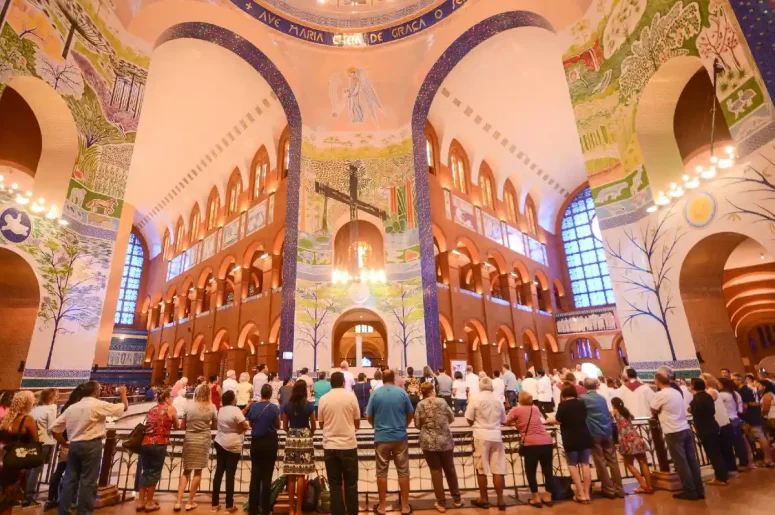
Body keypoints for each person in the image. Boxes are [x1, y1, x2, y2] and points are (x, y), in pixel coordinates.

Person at [51, 382, 127, 515]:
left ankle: (63, 511)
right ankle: (84, 512)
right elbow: (123, 408)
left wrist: (63, 443)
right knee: (88, 481)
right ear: (95, 391)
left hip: (74, 445)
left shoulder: (72, 407)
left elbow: (54, 429)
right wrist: (123, 394)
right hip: (91, 446)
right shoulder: (98, 405)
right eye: (99, 389)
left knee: (70, 479)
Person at [366, 370, 414, 515]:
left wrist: (376, 426)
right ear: (393, 378)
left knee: (381, 472)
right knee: (403, 471)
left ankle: (382, 506)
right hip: (400, 436)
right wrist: (403, 425)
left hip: (382, 438)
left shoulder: (375, 393)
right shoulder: (402, 393)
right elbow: (410, 413)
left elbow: (369, 416)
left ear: (381, 378)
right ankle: (405, 506)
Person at [651, 373, 704, 500]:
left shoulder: (660, 394)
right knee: (692, 461)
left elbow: (653, 409)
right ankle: (699, 490)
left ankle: (690, 491)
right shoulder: (676, 391)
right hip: (685, 427)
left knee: (681, 463)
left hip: (673, 430)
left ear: (658, 382)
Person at [415, 383, 462, 513]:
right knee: (450, 469)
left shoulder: (420, 405)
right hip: (445, 440)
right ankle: (457, 499)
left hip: (428, 442)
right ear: (432, 390)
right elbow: (451, 418)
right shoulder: (442, 402)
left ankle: (441, 502)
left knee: (436, 471)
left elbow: (417, 424)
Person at [319, 372, 360, 515]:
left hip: (330, 446)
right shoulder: (351, 397)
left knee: (334, 484)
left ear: (331, 383)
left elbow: (321, 423)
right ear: (343, 382)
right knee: (351, 484)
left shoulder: (324, 399)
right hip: (348, 445)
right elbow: (357, 422)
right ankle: (353, 512)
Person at [466, 377, 507, 511]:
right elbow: (503, 419)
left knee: (482, 468)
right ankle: (500, 500)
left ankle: (484, 498)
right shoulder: (498, 400)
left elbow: (469, 418)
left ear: (480, 387)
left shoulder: (475, 399)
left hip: (481, 435)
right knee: (498, 469)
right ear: (492, 387)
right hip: (496, 434)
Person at [507, 392, 553, 507]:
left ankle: (535, 497)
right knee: (547, 470)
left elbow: (506, 421)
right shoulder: (535, 409)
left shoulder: (516, 410)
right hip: (546, 441)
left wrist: (515, 423)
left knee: (531, 471)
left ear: (520, 399)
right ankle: (548, 497)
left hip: (531, 443)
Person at [175, 383, 217, 511]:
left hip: (190, 438)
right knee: (198, 471)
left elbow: (182, 425)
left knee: (186, 470)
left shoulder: (189, 405)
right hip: (203, 439)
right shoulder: (212, 407)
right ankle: (190, 502)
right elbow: (215, 425)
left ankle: (178, 501)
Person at [581, 378, 623, 499]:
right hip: (607, 431)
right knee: (613, 460)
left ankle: (608, 489)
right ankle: (619, 489)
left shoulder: (583, 399)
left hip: (594, 433)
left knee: (600, 461)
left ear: (584, 386)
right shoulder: (602, 398)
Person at [44, 387, 85, 512]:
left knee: (60, 470)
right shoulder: (79, 409)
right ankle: (71, 500)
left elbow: (57, 427)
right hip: (75, 443)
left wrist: (62, 442)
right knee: (74, 474)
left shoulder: (65, 408)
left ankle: (52, 498)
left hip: (65, 444)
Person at [551, 385, 592, 503]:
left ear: (563, 395)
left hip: (570, 437)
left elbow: (558, 419)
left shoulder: (563, 405)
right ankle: (587, 493)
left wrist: (550, 420)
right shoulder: (582, 403)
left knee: (572, 464)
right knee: (585, 464)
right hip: (584, 435)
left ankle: (580, 493)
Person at [138, 389, 178, 512]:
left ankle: (141, 502)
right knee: (155, 472)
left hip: (145, 443)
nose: (171, 399)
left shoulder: (152, 409)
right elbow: (177, 425)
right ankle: (149, 502)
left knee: (146, 471)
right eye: (170, 397)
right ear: (166, 398)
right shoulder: (170, 409)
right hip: (159, 443)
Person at [0, 392, 39, 515]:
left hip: (2, 458)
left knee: (3, 493)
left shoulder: (5, 418)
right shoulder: (27, 419)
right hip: (15, 462)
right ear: (28, 403)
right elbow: (35, 442)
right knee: (8, 497)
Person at [212, 390, 250, 512]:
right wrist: (240, 430)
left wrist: (246, 409)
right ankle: (229, 505)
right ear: (232, 399)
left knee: (218, 473)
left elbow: (234, 418)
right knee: (230, 475)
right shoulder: (235, 410)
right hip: (233, 445)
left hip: (220, 442)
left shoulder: (222, 409)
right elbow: (243, 425)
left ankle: (215, 503)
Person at [246, 384, 281, 515]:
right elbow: (277, 425)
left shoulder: (254, 407)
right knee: (267, 476)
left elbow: (250, 423)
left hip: (256, 442)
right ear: (271, 394)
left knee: (255, 475)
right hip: (270, 442)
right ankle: (265, 508)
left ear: (261, 393)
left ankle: (252, 507)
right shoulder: (273, 408)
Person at [283, 380, 316, 515]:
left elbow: (285, 426)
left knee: (291, 475)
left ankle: (290, 509)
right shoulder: (309, 406)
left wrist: (292, 433)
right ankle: (298, 509)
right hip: (305, 437)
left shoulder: (287, 406)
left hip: (292, 437)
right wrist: (309, 434)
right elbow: (313, 425)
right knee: (301, 474)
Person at [688, 378, 728, 485]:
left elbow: (694, 411)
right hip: (713, 425)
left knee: (712, 454)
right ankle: (723, 476)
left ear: (693, 386)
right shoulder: (708, 396)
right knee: (718, 452)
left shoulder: (696, 399)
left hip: (704, 428)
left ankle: (720, 478)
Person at [611, 398, 653, 494]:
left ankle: (643, 485)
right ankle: (649, 486)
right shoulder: (626, 412)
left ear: (613, 405)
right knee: (643, 462)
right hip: (636, 437)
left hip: (626, 440)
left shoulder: (615, 412)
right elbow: (632, 417)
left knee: (629, 464)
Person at [24, 389, 58, 507]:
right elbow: (52, 427)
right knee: (36, 470)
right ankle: (29, 497)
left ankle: (25, 494)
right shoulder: (51, 408)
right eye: (55, 396)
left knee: (30, 469)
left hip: (32, 442)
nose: (56, 398)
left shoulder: (34, 410)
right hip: (45, 442)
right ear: (51, 397)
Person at [700, 373, 738, 477]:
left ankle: (728, 471)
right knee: (724, 449)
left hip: (721, 424)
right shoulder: (710, 391)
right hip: (720, 424)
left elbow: (706, 404)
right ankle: (727, 470)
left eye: (702, 379)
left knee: (725, 449)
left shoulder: (711, 391)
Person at [733, 372, 773, 466]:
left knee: (760, 437)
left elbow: (746, 406)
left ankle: (768, 460)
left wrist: (740, 413)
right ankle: (765, 459)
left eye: (733, 380)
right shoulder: (749, 389)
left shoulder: (744, 390)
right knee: (759, 438)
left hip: (752, 417)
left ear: (739, 380)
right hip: (754, 416)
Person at [718, 377, 750, 470]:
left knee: (728, 444)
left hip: (728, 420)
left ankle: (732, 465)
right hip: (736, 418)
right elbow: (740, 408)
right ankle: (744, 462)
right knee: (739, 442)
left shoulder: (722, 395)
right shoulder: (735, 393)